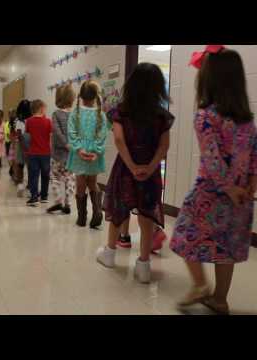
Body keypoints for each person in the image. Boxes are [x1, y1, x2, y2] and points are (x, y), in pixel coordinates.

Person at [169, 46, 257, 315]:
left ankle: (200, 285)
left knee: (183, 235)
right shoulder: (247, 120)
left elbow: (212, 160)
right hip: (240, 200)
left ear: (208, 80)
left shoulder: (206, 116)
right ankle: (220, 299)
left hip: (210, 194)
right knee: (227, 248)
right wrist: (250, 185)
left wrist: (230, 188)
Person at [96, 63, 174, 284]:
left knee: (118, 208)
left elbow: (119, 140)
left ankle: (109, 254)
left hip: (125, 168)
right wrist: (149, 168)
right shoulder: (162, 116)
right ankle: (144, 266)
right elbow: (164, 145)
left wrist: (131, 165)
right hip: (150, 171)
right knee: (147, 215)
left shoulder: (121, 111)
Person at [66, 80, 107, 229]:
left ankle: (81, 217)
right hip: (94, 153)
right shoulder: (101, 114)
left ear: (80, 96)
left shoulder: (75, 113)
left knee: (81, 183)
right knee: (92, 181)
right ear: (96, 97)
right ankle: (97, 212)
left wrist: (79, 149)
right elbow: (102, 135)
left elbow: (71, 133)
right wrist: (96, 151)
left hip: (79, 153)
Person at [47, 84, 76, 215]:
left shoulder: (56, 114)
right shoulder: (75, 115)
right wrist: (72, 144)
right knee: (70, 178)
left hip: (58, 154)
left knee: (55, 177)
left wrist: (65, 143)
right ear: (72, 98)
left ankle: (58, 200)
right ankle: (68, 203)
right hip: (71, 154)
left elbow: (56, 131)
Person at [25, 100, 52, 207]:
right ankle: (44, 196)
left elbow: (28, 136)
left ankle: (34, 197)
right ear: (41, 108)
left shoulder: (29, 121)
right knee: (45, 174)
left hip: (33, 153)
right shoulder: (48, 121)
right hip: (46, 152)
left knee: (33, 175)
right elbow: (50, 136)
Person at [14, 100, 32, 197]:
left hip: (21, 144)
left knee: (21, 165)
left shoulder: (19, 121)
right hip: (28, 144)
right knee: (29, 166)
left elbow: (19, 134)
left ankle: (20, 184)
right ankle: (28, 186)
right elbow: (19, 134)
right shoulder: (30, 120)